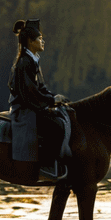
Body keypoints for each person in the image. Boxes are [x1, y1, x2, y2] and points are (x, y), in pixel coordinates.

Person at [8, 19, 68, 177]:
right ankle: (46, 166)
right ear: (30, 41)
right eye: (40, 38)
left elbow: (40, 88)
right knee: (57, 126)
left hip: (32, 104)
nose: (43, 41)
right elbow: (30, 92)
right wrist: (51, 101)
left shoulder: (32, 60)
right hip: (25, 108)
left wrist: (54, 97)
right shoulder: (25, 62)